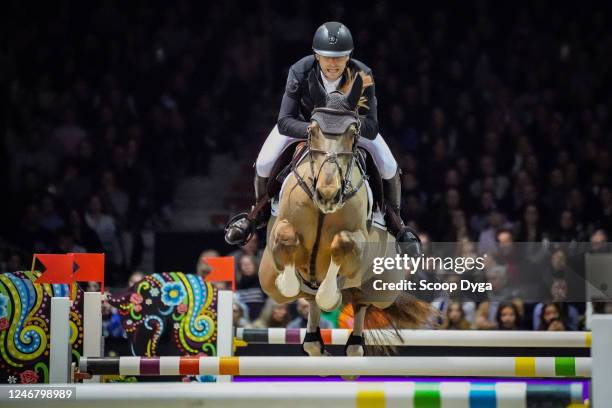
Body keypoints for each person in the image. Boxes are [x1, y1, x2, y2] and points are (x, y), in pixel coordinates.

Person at [224, 22, 419, 253]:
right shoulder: (300, 70)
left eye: (339, 57)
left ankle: (396, 224)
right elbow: (285, 120)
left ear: (349, 56)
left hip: (348, 132)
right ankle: (257, 215)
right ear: (316, 55)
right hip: (304, 126)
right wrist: (316, 131)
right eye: (327, 57)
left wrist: (347, 129)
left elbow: (372, 126)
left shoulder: (362, 74)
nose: (333, 63)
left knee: (388, 166)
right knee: (265, 162)